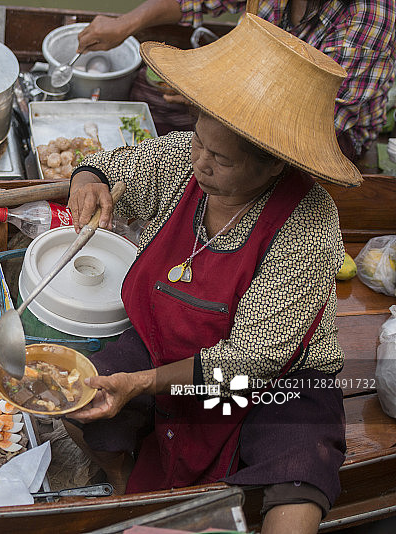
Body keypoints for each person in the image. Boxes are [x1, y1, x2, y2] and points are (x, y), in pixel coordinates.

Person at [66, 14, 359, 534]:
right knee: (77, 393)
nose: (200, 161)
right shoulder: (190, 156)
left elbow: (253, 358)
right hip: (172, 344)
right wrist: (92, 177)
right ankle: (126, 487)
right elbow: (130, 165)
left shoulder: (309, 221)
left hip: (275, 381)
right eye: (199, 141)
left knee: (300, 475)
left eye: (220, 158)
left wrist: (146, 383)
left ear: (275, 166)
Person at [76, 0, 395, 160]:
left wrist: (213, 96)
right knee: (148, 93)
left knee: (231, 160)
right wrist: (124, 24)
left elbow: (312, 119)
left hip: (320, 130)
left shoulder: (371, 14)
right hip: (253, 81)